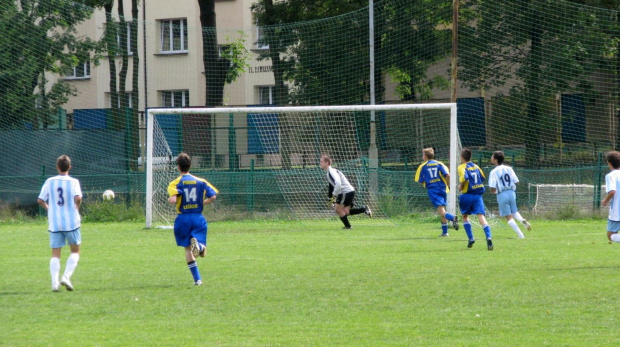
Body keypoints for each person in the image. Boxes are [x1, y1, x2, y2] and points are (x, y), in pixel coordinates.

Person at [167, 153, 218, 286]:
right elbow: (213, 196)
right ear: (190, 165)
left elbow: (173, 200)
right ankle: (200, 246)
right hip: (197, 217)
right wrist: (203, 203)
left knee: (188, 250)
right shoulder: (201, 181)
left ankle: (198, 280)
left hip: (182, 219)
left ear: (178, 167)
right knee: (201, 250)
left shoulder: (175, 183)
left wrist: (171, 199)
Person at [37, 155, 83, 292]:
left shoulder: (50, 181)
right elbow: (78, 197)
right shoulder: (73, 182)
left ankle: (54, 283)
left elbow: (40, 199)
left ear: (57, 167)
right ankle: (66, 277)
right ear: (69, 167)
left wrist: (49, 208)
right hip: (71, 222)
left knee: (55, 253)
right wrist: (77, 207)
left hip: (55, 222)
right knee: (75, 251)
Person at [415, 148, 459, 237]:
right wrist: (447, 184)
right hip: (443, 189)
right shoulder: (440, 164)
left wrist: (427, 181)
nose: (422, 156)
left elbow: (419, 180)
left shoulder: (423, 166)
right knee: (442, 210)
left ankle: (453, 218)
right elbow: (448, 175)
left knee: (441, 211)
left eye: (423, 155)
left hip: (433, 190)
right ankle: (445, 232)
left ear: (426, 156)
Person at [320, 155, 372, 229]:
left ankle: (348, 226)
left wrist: (334, 196)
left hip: (345, 192)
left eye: (321, 162)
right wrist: (330, 198)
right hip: (350, 191)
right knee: (345, 211)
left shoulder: (331, 172)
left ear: (327, 163)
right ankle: (364, 209)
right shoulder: (330, 172)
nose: (320, 163)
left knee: (337, 209)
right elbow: (331, 186)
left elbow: (338, 184)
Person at [488, 151, 532, 239]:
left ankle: (521, 235)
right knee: (514, 211)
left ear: (495, 159)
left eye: (492, 156)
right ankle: (521, 220)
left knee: (508, 216)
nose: (491, 158)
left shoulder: (493, 172)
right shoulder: (509, 168)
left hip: (502, 194)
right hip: (511, 192)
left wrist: (494, 191)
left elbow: (492, 187)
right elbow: (516, 181)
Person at [457, 148, 493, 250]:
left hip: (467, 195)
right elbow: (482, 177)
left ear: (462, 157)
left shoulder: (461, 167)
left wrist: (461, 186)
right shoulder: (476, 166)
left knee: (465, 216)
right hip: (477, 196)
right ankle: (488, 237)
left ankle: (471, 238)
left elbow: (464, 178)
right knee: (481, 216)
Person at [602, 151, 620, 243]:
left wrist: (605, 200)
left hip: (617, 212)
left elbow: (612, 191)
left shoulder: (610, 176)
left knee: (611, 235)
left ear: (609, 163)